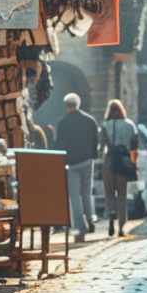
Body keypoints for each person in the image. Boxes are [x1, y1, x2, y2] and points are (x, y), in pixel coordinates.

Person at [54, 92, 98, 241]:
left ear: (67, 106)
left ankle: (81, 226)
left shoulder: (63, 123)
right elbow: (95, 141)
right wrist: (93, 156)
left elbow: (60, 145)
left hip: (72, 163)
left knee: (74, 197)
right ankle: (91, 220)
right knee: (86, 193)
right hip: (87, 161)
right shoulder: (90, 120)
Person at [99, 99, 138, 237]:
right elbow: (134, 145)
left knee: (109, 193)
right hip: (124, 162)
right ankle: (121, 226)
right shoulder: (129, 125)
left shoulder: (105, 125)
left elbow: (101, 146)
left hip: (109, 161)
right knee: (122, 194)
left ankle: (111, 217)